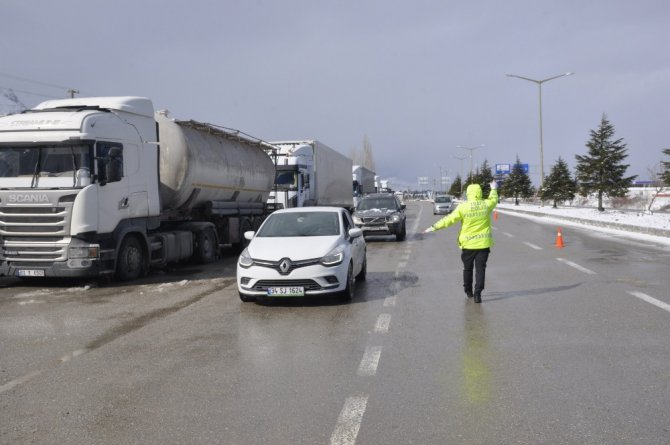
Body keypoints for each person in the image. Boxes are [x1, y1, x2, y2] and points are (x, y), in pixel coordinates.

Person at [423, 181, 498, 303]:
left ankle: (468, 291)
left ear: (468, 193)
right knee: (480, 269)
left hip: (468, 245)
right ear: (479, 193)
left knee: (467, 269)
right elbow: (493, 200)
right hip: (483, 244)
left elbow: (449, 220)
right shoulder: (485, 205)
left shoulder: (463, 207)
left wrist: (433, 227)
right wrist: (493, 189)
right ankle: (478, 293)